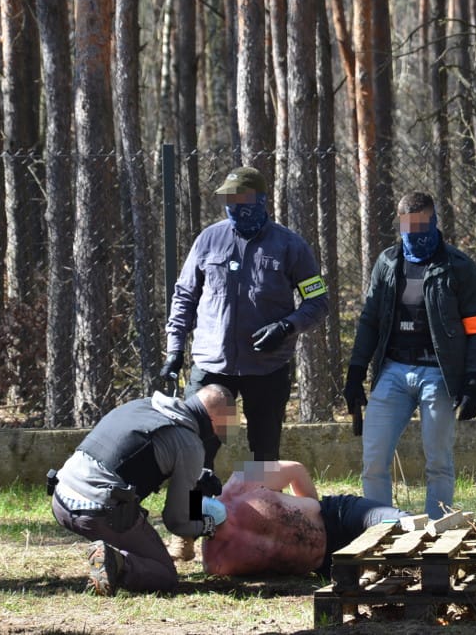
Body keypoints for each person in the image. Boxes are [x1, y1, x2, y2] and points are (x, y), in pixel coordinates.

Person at [161, 165, 329, 560]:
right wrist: (173, 350)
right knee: (196, 452)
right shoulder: (208, 241)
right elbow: (184, 297)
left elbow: (317, 301)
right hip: (211, 365)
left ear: (262, 201)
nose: (236, 210)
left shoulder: (290, 246)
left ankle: (262, 533)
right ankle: (186, 532)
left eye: (244, 202)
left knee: (264, 455)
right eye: (229, 203)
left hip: (266, 368)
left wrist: (287, 326)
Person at [343, 192, 476, 520]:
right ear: (401, 226)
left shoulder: (459, 267)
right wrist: (355, 371)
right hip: (393, 369)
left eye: (425, 228)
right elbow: (370, 320)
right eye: (411, 230)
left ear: (435, 222)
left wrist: (473, 379)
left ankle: (437, 531)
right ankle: (381, 528)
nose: (418, 237)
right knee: (374, 459)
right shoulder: (388, 263)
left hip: (438, 373)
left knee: (438, 461)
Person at [49, 385, 238, 595]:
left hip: (61, 496)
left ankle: (110, 553)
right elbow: (176, 522)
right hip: (96, 512)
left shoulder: (143, 405)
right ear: (216, 418)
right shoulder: (190, 444)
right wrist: (207, 526)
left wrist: (194, 480)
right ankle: (114, 561)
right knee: (164, 575)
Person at [201, 461, 409, 578]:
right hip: (325, 566)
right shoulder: (216, 562)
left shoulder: (243, 477)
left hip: (338, 516)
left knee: (406, 526)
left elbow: (295, 469)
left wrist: (310, 510)